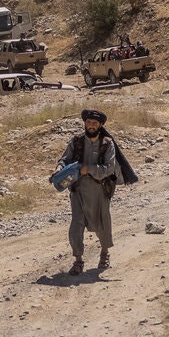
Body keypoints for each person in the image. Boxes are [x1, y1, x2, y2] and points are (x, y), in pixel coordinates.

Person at [57, 109, 136, 275]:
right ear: (85, 123)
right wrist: (59, 168)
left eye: (94, 123)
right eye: (88, 123)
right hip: (78, 190)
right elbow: (65, 159)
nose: (91, 126)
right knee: (76, 224)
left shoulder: (107, 143)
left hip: (100, 189)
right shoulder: (76, 141)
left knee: (103, 223)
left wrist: (89, 169)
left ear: (100, 125)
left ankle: (104, 253)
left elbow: (109, 168)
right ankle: (78, 260)